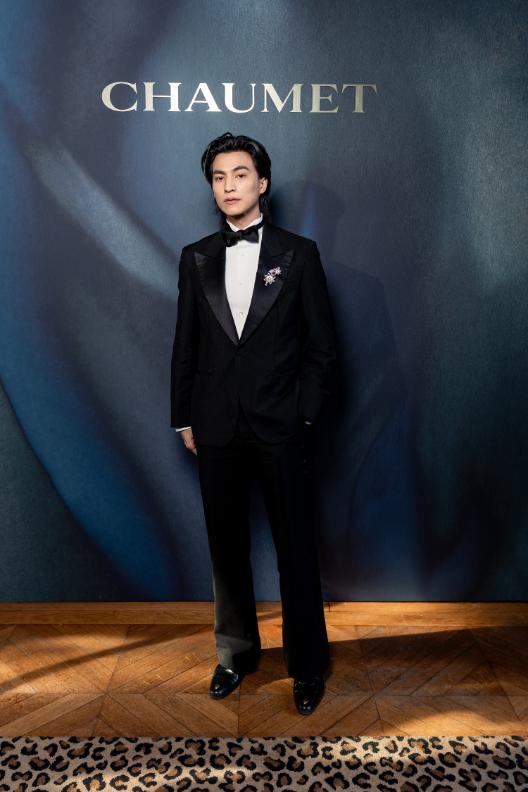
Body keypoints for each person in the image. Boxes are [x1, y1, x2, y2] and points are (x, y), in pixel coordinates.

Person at [170, 132, 337, 715]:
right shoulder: (195, 256)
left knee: (296, 547)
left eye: (239, 174)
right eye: (219, 178)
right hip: (215, 426)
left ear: (262, 183)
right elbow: (185, 345)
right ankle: (235, 656)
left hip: (281, 425)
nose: (229, 186)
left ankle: (307, 665)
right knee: (226, 549)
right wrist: (182, 418)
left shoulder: (300, 254)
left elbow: (322, 348)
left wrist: (304, 414)